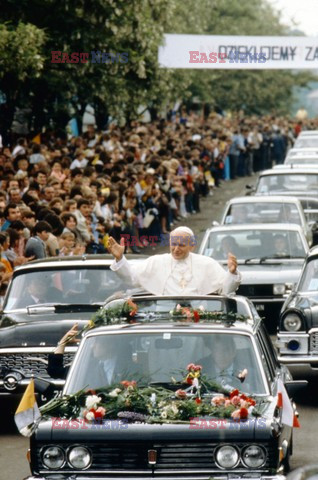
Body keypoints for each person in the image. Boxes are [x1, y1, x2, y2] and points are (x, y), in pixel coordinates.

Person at [108, 226, 241, 295]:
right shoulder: (156, 262)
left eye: (182, 245)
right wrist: (120, 258)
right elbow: (132, 277)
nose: (176, 249)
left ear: (192, 246)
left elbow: (225, 289)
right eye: (173, 244)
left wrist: (232, 273)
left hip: (199, 318)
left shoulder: (207, 263)